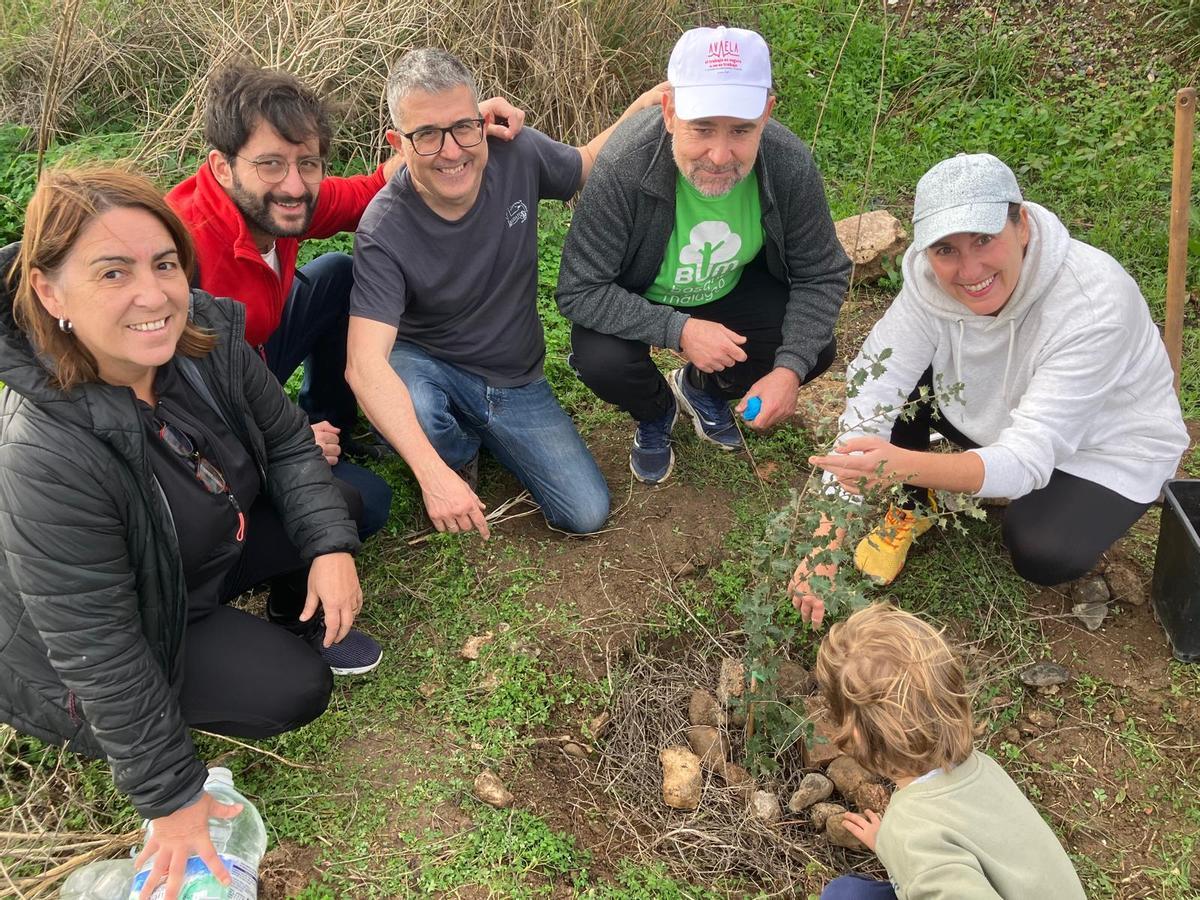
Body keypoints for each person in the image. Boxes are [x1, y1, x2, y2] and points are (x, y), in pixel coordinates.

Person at [0, 168, 377, 900]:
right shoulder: (43, 452)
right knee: (293, 689)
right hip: (117, 631)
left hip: (192, 552)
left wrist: (327, 548)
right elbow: (98, 650)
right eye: (113, 273)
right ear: (50, 293)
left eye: (164, 264)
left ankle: (288, 606)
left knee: (342, 503)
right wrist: (172, 801)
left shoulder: (201, 337)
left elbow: (290, 443)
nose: (153, 295)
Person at [791, 153, 1189, 625]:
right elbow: (876, 386)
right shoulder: (927, 283)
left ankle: (1024, 494)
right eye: (946, 250)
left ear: (1021, 225)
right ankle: (916, 503)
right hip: (997, 411)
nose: (968, 269)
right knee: (896, 377)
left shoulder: (1092, 303)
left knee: (1042, 551)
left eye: (984, 239)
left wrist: (900, 465)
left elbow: (1027, 457)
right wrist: (830, 533)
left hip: (1104, 446)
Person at [166, 62, 526, 536]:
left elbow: (367, 190)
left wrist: (447, 132)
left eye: (307, 164)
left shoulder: (282, 204)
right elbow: (164, 401)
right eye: (270, 163)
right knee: (366, 504)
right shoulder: (179, 252)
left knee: (337, 273)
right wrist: (276, 441)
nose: (294, 185)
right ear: (222, 167)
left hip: (247, 359)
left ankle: (332, 420)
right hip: (200, 405)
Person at [346, 49, 664, 537]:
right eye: (427, 135)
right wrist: (433, 477)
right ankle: (456, 453)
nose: (451, 152)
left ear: (481, 120)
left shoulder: (517, 153)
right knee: (416, 404)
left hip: (515, 378)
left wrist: (643, 106)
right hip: (427, 364)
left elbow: (585, 164)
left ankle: (474, 430)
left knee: (585, 513)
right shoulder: (383, 228)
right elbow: (365, 364)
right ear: (398, 142)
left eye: (462, 128)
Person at [556, 26, 851, 484]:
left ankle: (701, 389)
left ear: (766, 115)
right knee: (601, 361)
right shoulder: (623, 166)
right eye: (702, 128)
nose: (719, 154)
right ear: (670, 112)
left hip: (731, 285)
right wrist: (678, 330)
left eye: (741, 130)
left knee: (813, 348)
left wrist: (789, 371)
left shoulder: (788, 163)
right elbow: (579, 289)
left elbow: (822, 271)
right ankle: (656, 412)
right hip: (642, 291)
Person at [815, 603, 1086, 898]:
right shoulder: (982, 769)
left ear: (855, 736)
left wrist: (905, 845)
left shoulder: (914, 834)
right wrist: (892, 846)